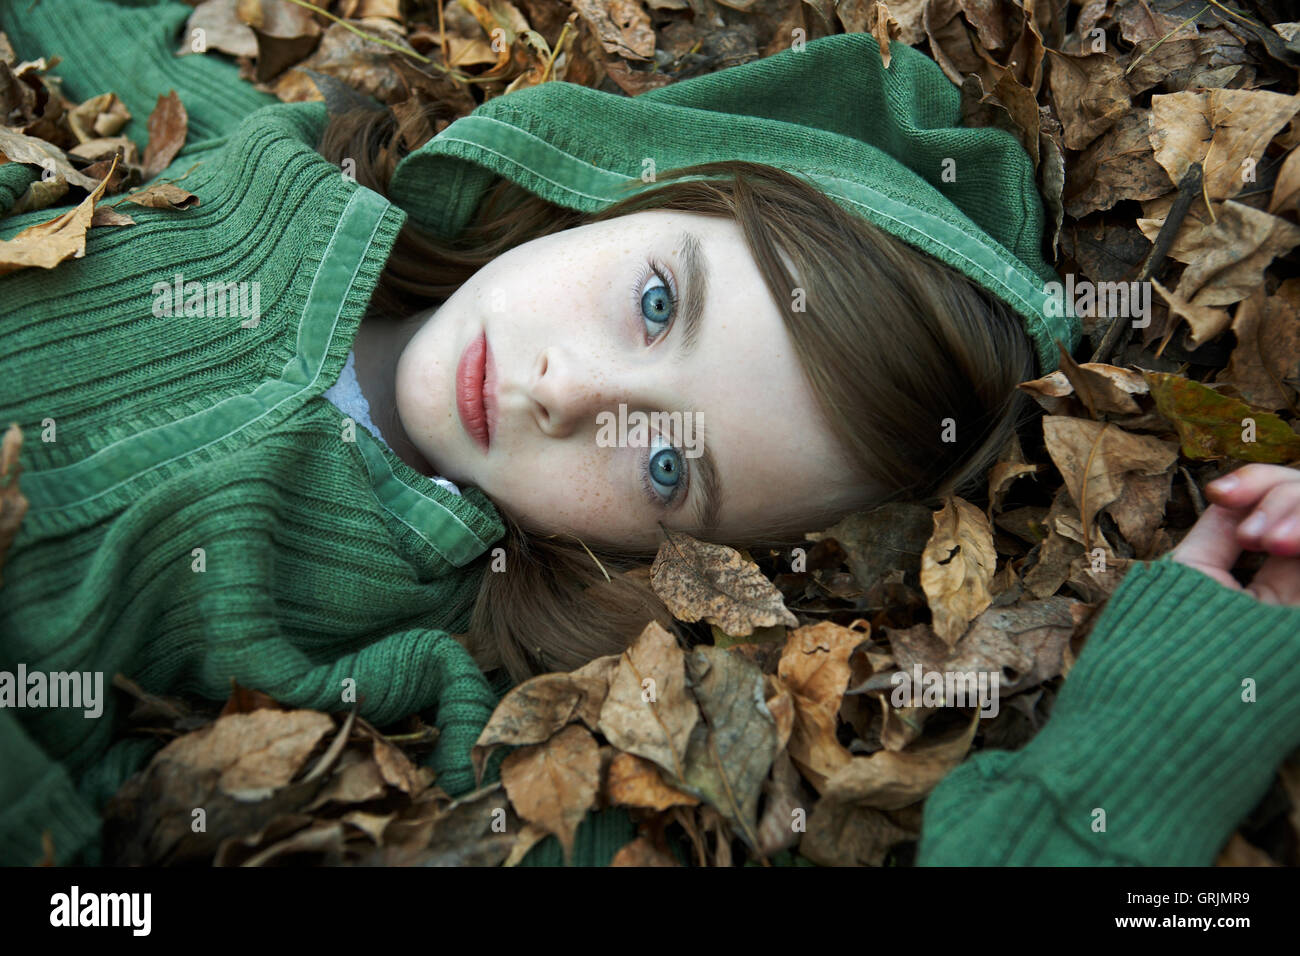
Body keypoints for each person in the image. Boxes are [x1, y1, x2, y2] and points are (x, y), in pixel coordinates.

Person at [0, 0, 1296, 868]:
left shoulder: (444, 678)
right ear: (629, 191)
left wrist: (1154, 737)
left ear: (669, 569)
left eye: (666, 466)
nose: (572, 395)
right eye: (657, 304)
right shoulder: (258, 156)